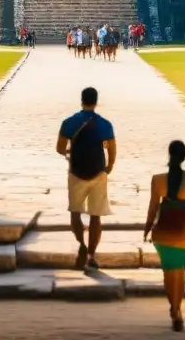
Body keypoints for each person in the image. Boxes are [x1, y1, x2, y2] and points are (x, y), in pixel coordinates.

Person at [143, 140, 185, 332]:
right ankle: (177, 309)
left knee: (169, 272)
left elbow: (152, 209)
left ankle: (174, 308)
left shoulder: (158, 180)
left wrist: (146, 230)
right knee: (179, 272)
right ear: (184, 156)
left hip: (163, 233)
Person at [56, 86, 116, 271]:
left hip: (76, 172)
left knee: (75, 212)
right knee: (95, 216)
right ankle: (91, 255)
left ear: (81, 100)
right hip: (98, 172)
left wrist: (70, 152)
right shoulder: (105, 124)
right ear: (96, 102)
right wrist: (108, 168)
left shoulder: (69, 122)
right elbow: (112, 150)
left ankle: (81, 243)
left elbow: (59, 148)